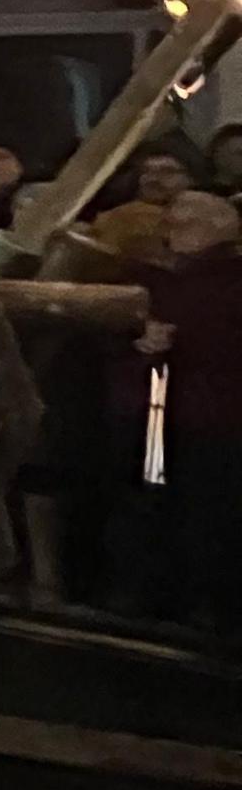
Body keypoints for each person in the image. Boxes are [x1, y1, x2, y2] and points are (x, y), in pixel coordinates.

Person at [121, 192, 242, 629]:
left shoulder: (231, 279)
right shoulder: (153, 276)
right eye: (170, 222)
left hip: (214, 416)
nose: (173, 230)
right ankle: (154, 592)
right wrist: (139, 335)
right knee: (152, 500)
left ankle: (208, 604)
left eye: (187, 222)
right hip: (156, 407)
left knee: (208, 509)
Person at [92, 147, 195, 269]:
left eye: (168, 171)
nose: (152, 179)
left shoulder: (208, 220)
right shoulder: (120, 217)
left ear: (191, 179)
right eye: (146, 172)